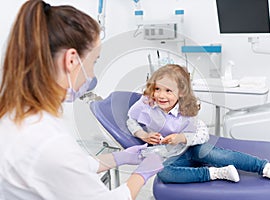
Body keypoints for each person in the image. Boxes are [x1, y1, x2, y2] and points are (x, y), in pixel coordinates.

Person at [0, 1, 163, 200]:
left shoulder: (16, 116)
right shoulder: (48, 140)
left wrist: (118, 158)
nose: (92, 73)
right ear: (71, 60)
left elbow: (66, 168)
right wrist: (141, 175)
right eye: (93, 61)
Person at [126, 64, 270, 194]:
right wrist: (143, 134)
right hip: (170, 155)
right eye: (157, 89)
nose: (161, 95)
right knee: (164, 173)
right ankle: (216, 173)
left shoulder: (187, 109)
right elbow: (131, 120)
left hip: (192, 148)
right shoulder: (146, 103)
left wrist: (183, 138)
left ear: (181, 93)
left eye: (168, 91)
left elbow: (202, 135)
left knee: (216, 154)